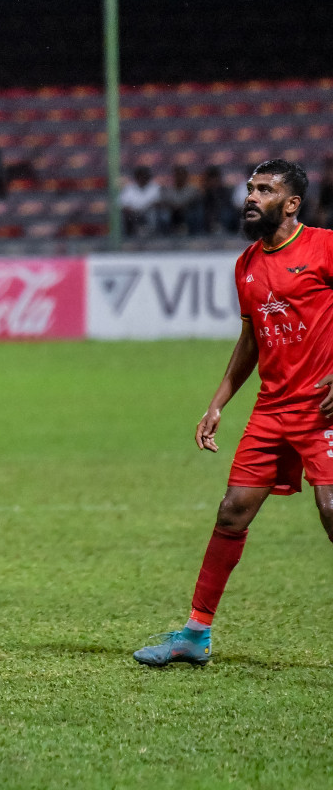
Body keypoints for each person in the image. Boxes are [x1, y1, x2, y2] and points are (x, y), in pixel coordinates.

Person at [134, 160, 333, 667]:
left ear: (291, 204)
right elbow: (251, 340)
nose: (250, 196)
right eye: (249, 187)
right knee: (232, 511)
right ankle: (195, 635)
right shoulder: (245, 264)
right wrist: (218, 402)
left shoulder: (324, 247)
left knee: (332, 512)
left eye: (264, 189)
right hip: (272, 409)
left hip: (322, 409)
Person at [119, 166, 163, 237]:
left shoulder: (155, 187)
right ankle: (129, 237)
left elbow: (158, 202)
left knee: (154, 214)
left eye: (145, 176)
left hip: (148, 211)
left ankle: (153, 235)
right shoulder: (129, 188)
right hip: (133, 213)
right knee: (124, 216)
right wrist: (131, 210)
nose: (143, 178)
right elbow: (122, 204)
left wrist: (146, 207)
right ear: (136, 177)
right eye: (141, 176)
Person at [160, 164, 203, 236]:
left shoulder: (193, 189)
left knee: (195, 213)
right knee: (164, 215)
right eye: (178, 175)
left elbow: (195, 199)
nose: (180, 177)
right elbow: (164, 201)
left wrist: (183, 205)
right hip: (172, 212)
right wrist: (174, 206)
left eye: (182, 175)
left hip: (188, 211)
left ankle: (194, 235)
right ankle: (166, 235)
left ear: (186, 176)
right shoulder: (168, 189)